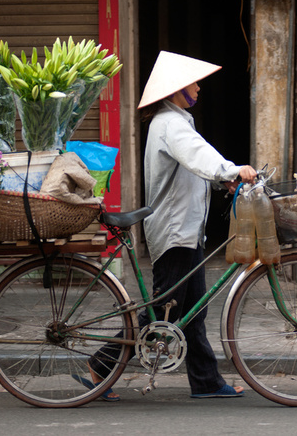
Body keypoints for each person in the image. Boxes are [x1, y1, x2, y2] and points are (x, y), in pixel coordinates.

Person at [83, 51, 257, 400]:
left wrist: (219, 182)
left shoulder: (175, 121)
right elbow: (198, 155)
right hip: (176, 232)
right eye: (193, 83)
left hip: (186, 231)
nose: (198, 88)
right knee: (161, 314)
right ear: (177, 89)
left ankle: (206, 382)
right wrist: (231, 170)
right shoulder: (170, 124)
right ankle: (100, 367)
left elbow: (190, 168)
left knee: (192, 310)